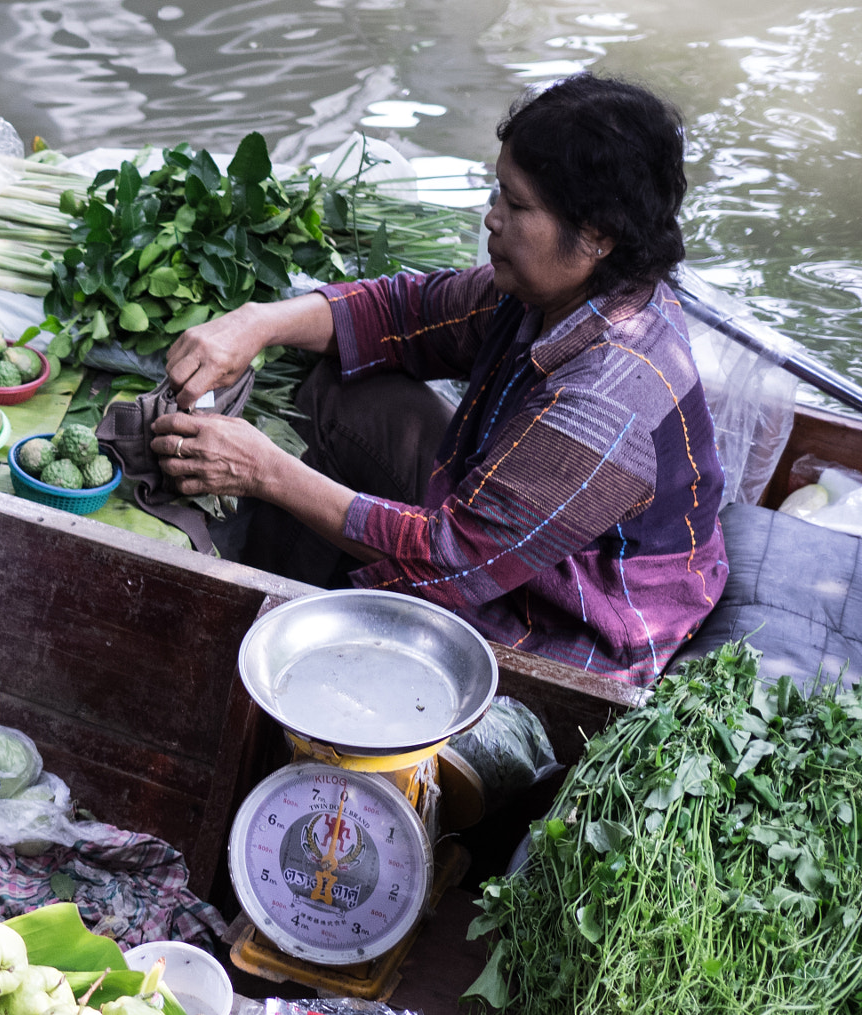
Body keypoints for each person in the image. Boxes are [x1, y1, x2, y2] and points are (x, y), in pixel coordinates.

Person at [154, 73, 726, 687]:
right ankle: (281, 598)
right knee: (344, 391)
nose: (492, 218)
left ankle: (285, 648)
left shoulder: (608, 399)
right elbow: (407, 314)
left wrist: (264, 470)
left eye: (517, 205)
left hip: (570, 622)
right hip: (504, 537)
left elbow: (453, 558)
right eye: (497, 194)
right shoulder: (551, 293)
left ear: (597, 236)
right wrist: (255, 323)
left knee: (380, 597)